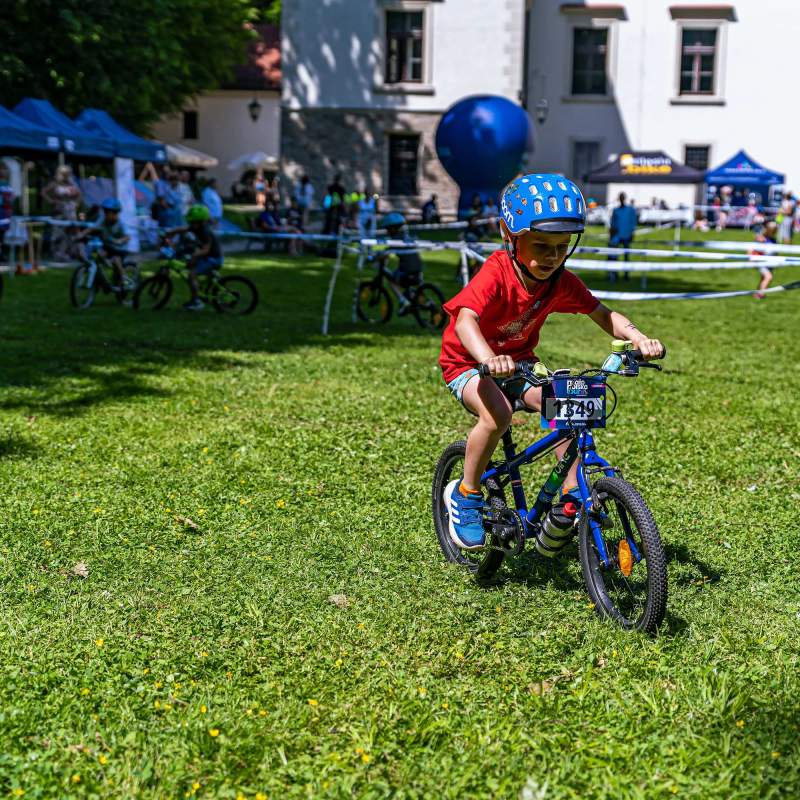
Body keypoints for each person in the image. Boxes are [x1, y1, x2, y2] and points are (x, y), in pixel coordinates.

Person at [439, 173, 664, 550]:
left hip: (521, 362)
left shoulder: (560, 281)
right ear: (508, 236)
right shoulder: (497, 273)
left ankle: (571, 504)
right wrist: (488, 358)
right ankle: (466, 494)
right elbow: (465, 320)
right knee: (497, 415)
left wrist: (639, 338)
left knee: (568, 408)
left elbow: (604, 314)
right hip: (468, 363)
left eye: (561, 247)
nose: (552, 256)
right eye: (541, 245)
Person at [166, 204, 223, 311]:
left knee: (191, 275)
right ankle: (203, 287)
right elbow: (183, 229)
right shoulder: (196, 227)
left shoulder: (206, 232)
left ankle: (196, 302)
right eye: (190, 221)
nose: (190, 224)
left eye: (193, 222)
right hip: (207, 257)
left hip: (214, 259)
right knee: (190, 265)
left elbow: (206, 249)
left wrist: (195, 256)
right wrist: (171, 232)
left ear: (201, 222)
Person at [75, 197, 130, 296]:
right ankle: (101, 282)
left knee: (116, 260)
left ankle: (124, 279)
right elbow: (92, 228)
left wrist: (119, 241)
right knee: (97, 257)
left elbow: (127, 236)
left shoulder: (120, 224)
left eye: (108, 212)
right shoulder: (103, 219)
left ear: (115, 213)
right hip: (108, 246)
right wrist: (81, 234)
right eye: (105, 211)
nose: (105, 214)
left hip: (119, 249)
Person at [377, 212, 422, 310]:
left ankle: (403, 301)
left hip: (407, 272)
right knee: (400, 274)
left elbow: (385, 254)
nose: (387, 231)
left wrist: (374, 257)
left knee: (392, 281)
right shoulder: (407, 238)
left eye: (387, 229)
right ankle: (411, 299)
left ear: (392, 229)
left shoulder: (395, 241)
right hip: (419, 270)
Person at [42, 165, 82, 261]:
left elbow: (79, 195)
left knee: (71, 232)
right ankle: (57, 253)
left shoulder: (72, 184)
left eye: (68, 174)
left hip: (70, 211)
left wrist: (76, 204)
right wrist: (51, 201)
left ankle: (68, 252)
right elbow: (43, 192)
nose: (67, 176)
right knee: (58, 233)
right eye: (65, 174)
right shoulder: (55, 184)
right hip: (59, 211)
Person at [607, 191, 637, 282]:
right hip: (617, 236)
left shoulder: (631, 210)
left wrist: (632, 233)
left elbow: (633, 222)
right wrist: (611, 234)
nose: (621, 199)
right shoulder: (616, 210)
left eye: (623, 197)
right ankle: (613, 274)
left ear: (625, 198)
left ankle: (626, 275)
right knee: (613, 255)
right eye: (620, 197)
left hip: (627, 235)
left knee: (626, 256)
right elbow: (612, 223)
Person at [751, 220, 778, 299]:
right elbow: (751, 248)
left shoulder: (774, 240)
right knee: (768, 277)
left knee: (763, 278)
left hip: (770, 263)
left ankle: (757, 293)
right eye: (773, 229)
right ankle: (760, 295)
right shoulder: (761, 238)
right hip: (761, 261)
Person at [0, 165, 16, 255]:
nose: (3, 172)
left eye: (5, 170)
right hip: (1, 210)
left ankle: (1, 253)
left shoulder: (7, 184)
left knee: (2, 233)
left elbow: (12, 196)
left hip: (6, 212)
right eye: (2, 170)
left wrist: (11, 199)